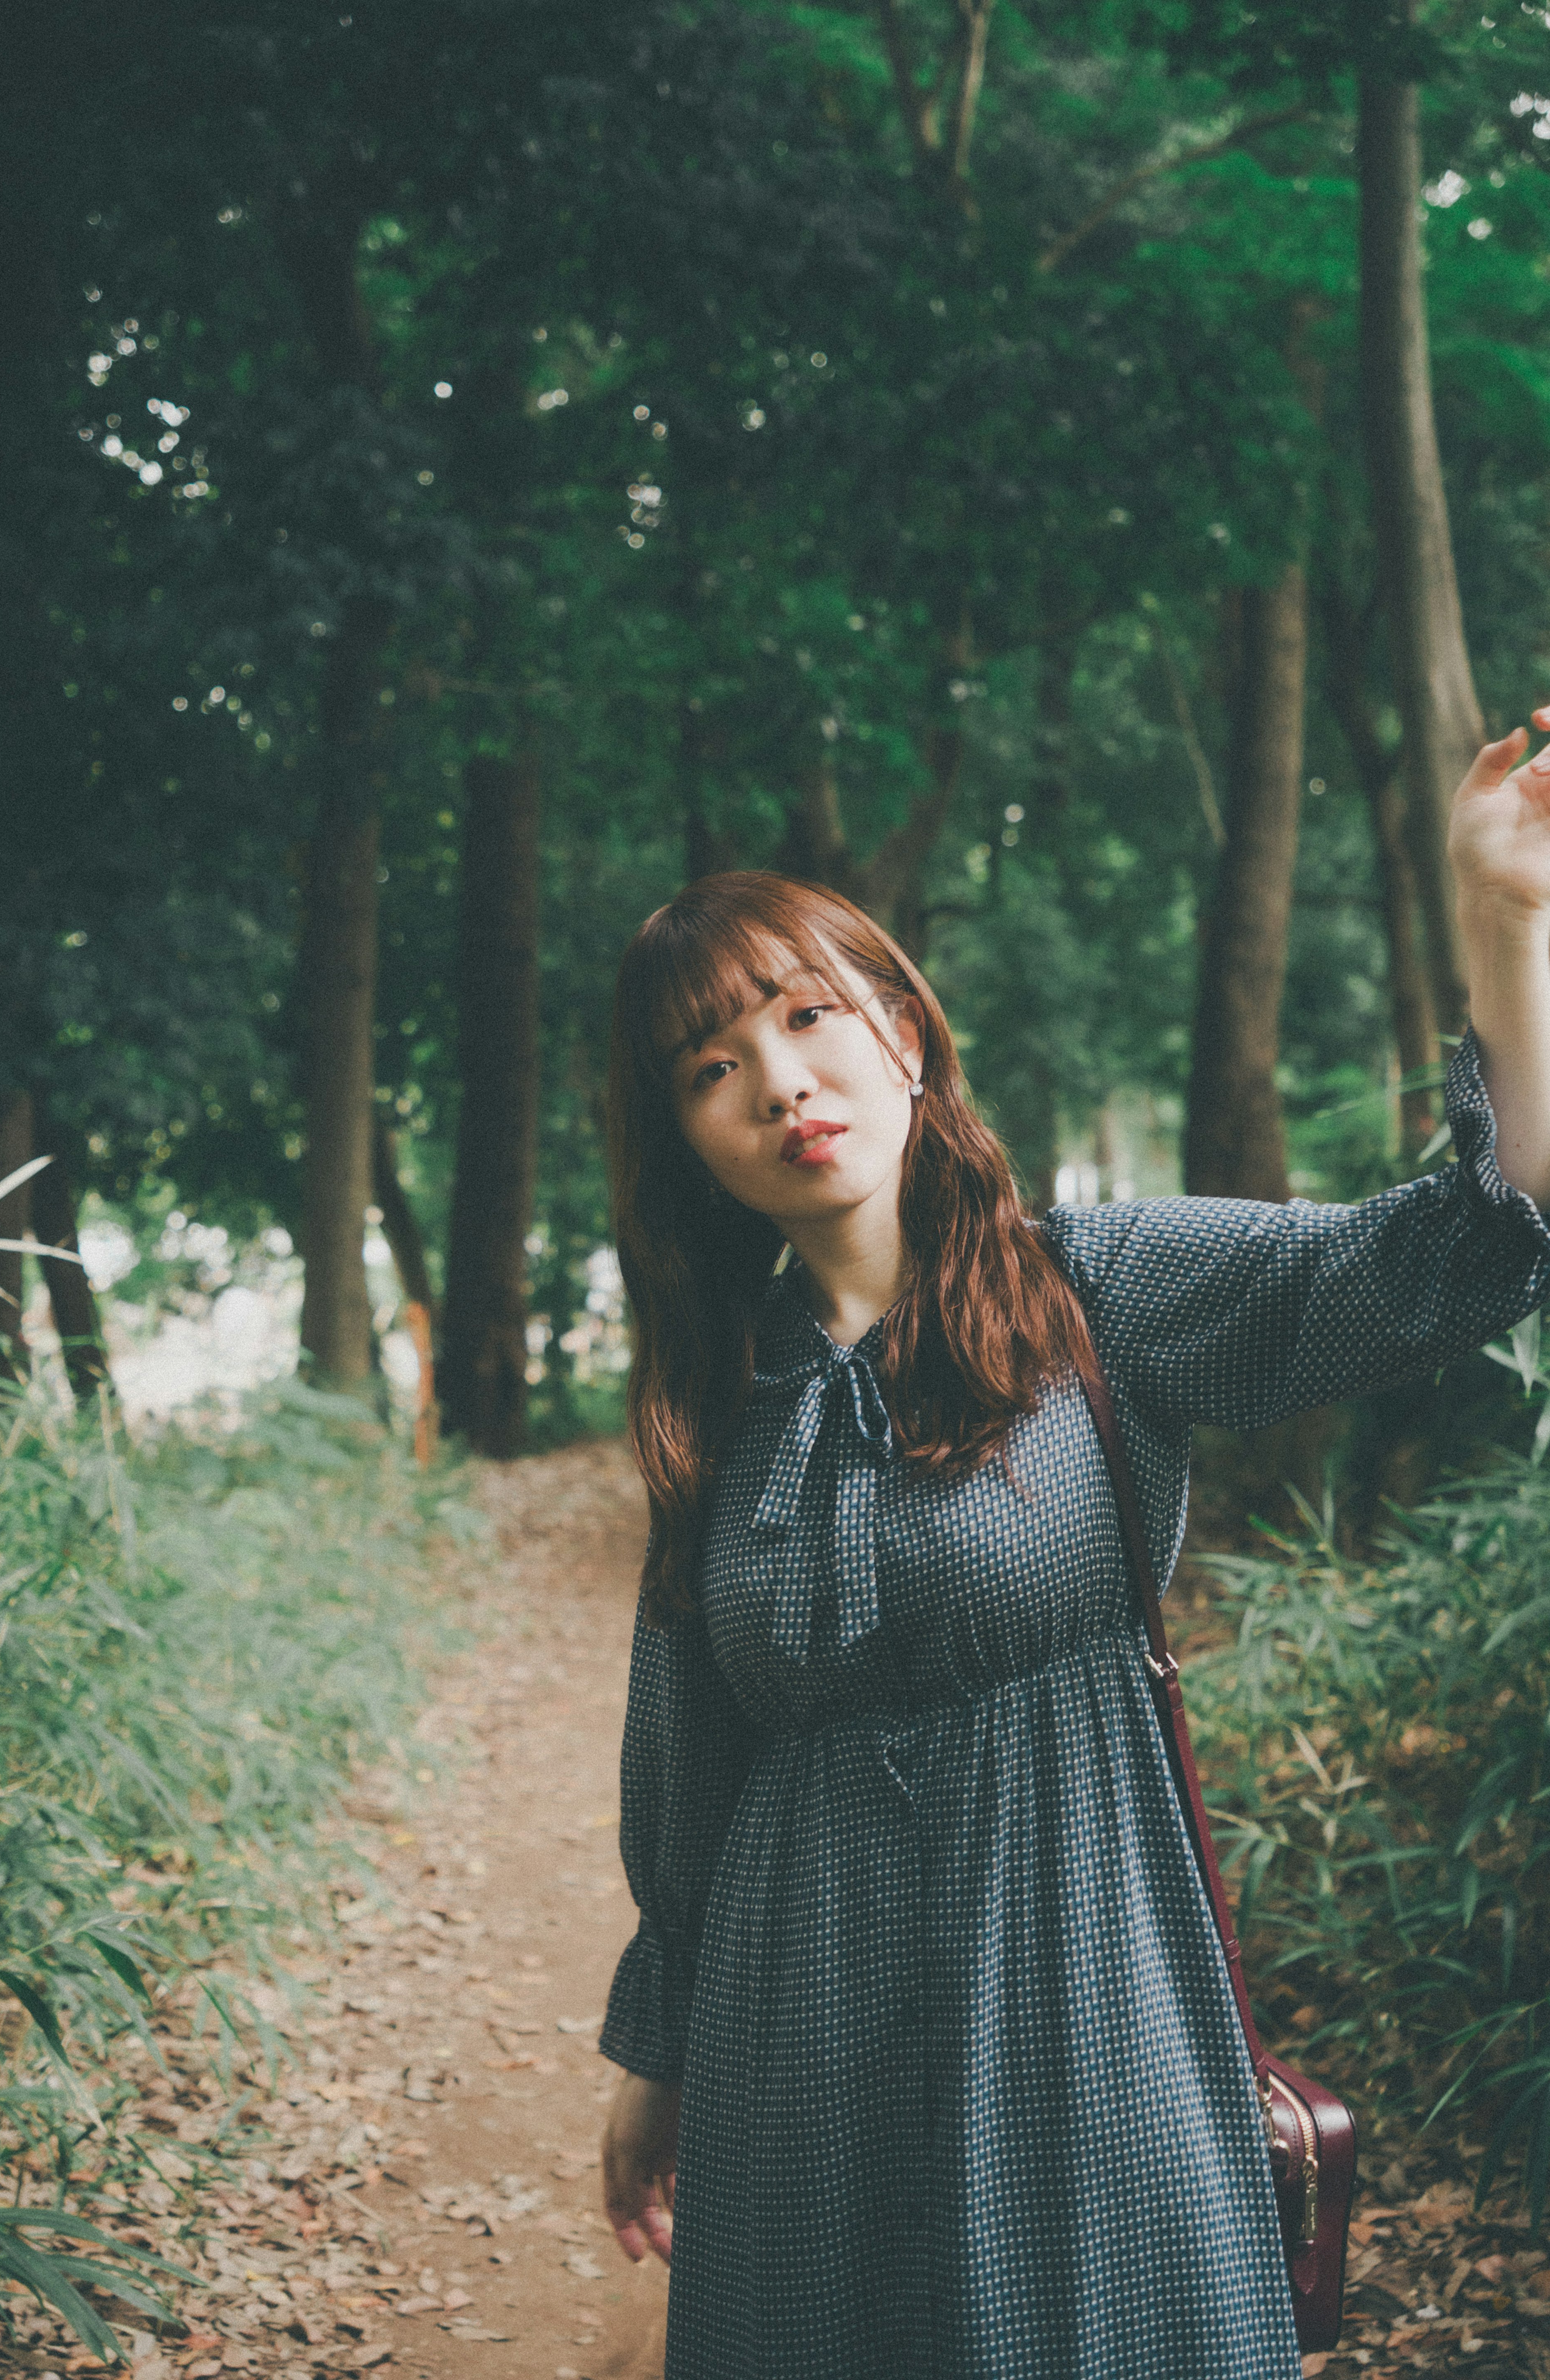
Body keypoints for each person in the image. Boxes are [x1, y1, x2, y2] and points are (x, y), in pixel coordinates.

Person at [594, 719, 1550, 2379]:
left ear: (902, 1031)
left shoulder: (1106, 1292)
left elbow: (1456, 1258)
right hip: (792, 2032)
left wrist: (1503, 928)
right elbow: (688, 1768)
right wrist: (658, 2062)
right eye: (711, 1065)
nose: (780, 1082)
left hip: (1076, 1978)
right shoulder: (717, 1405)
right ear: (686, 1136)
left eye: (809, 1016)